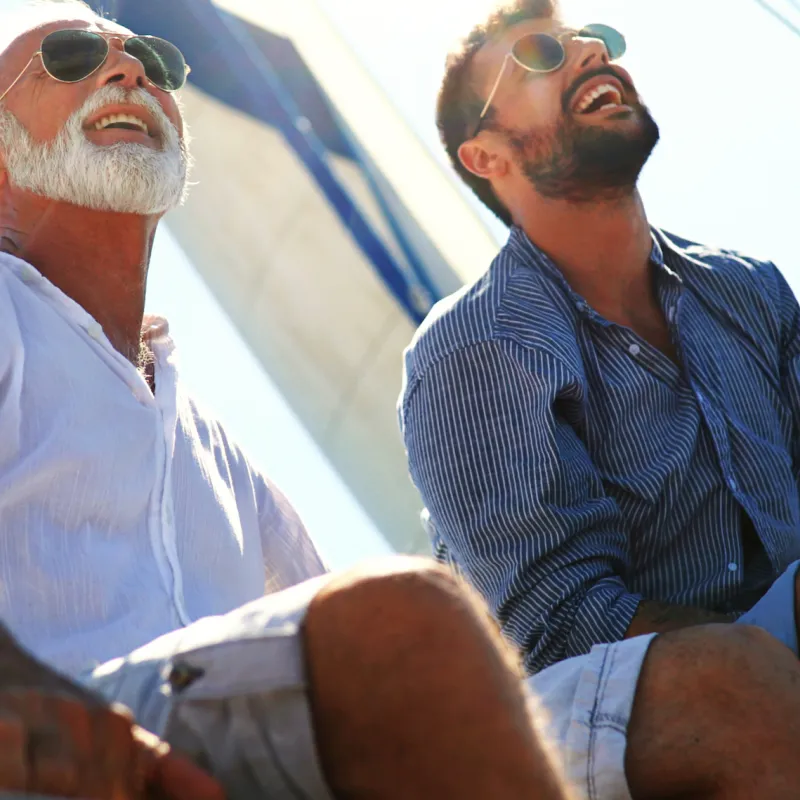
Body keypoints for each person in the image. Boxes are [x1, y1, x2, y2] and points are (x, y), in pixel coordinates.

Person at [0, 1, 571, 798]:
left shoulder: (222, 459)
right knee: (410, 625)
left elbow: (328, 631)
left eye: (158, 66)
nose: (129, 70)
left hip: (198, 756)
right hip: (37, 746)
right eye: (66, 57)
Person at [399, 0, 800, 795]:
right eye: (544, 54)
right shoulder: (479, 347)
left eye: (596, 38)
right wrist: (769, 662)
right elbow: (560, 622)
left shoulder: (751, 293)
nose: (587, 49)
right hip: (610, 724)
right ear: (486, 157)